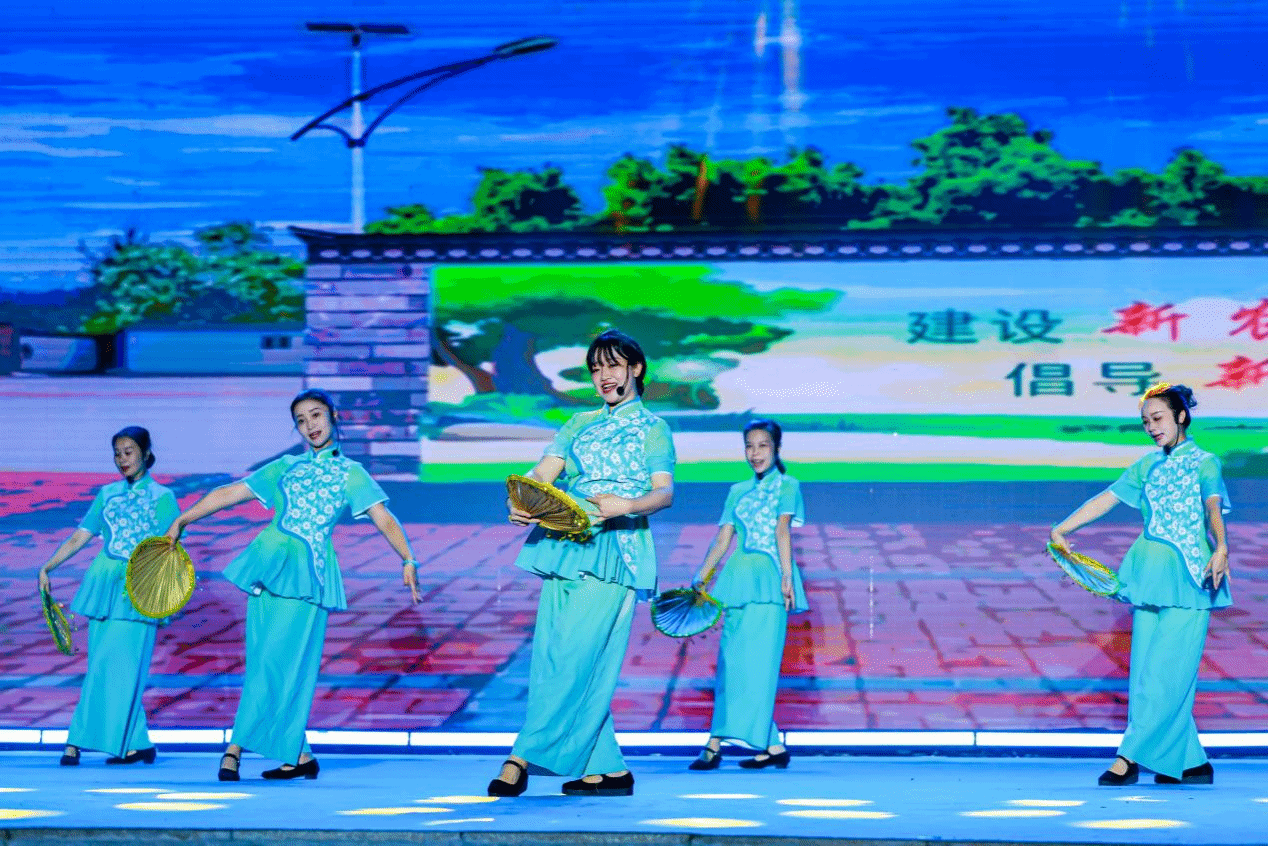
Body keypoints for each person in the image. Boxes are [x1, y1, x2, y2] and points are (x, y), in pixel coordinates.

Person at [164, 389, 421, 782]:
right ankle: (299, 755)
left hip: (307, 577)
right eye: (301, 420)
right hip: (268, 570)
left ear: (334, 416)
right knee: (264, 661)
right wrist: (183, 519)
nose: (310, 425)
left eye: (316, 415)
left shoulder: (351, 473)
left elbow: (383, 517)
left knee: (279, 664)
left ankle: (235, 749)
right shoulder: (285, 466)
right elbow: (230, 493)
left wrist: (407, 558)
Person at [487, 329, 676, 798]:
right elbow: (541, 475)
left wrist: (625, 506)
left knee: (572, 658)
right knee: (555, 656)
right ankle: (608, 768)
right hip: (562, 543)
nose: (603, 376)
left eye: (613, 365)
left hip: (616, 548)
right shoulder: (577, 423)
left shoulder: (653, 427)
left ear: (635, 368)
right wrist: (520, 501)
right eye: (596, 368)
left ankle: (521, 758)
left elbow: (664, 493)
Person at [1049, 383, 1230, 786]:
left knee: (1164, 674)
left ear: (1181, 416)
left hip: (1190, 577)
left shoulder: (1205, 463)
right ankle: (1191, 763)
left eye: (1158, 418)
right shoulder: (1147, 466)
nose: (1151, 427)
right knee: (1147, 672)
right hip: (1147, 573)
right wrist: (1063, 528)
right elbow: (1107, 498)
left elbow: (1212, 508)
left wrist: (1221, 547)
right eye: (1146, 421)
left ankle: (1128, 758)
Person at [38, 426, 179, 767]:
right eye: (117, 453)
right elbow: (81, 536)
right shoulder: (107, 494)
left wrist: (162, 594)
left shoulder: (162, 497)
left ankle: (77, 740)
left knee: (122, 668)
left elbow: (170, 548)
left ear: (146, 453)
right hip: (103, 585)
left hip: (137, 590)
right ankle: (137, 743)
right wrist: (49, 566)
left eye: (129, 452)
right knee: (103, 665)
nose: (122, 459)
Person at [687, 419, 807, 771]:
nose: (755, 453)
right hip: (738, 579)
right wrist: (702, 575)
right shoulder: (737, 490)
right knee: (731, 665)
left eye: (763, 446)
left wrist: (787, 577)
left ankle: (715, 745)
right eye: (749, 446)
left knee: (760, 668)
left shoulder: (788, 485)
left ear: (777, 449)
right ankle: (771, 745)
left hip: (770, 579)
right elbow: (723, 538)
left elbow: (782, 531)